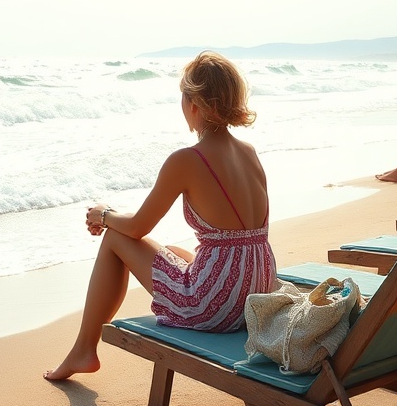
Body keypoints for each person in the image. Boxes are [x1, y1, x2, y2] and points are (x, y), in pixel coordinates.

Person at [44, 52, 277, 381]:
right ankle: (84, 350)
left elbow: (137, 227)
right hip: (255, 293)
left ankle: (84, 349)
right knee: (173, 252)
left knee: (116, 237)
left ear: (194, 104)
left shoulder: (188, 160)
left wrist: (104, 215)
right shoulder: (249, 152)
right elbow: (238, 239)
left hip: (217, 307)